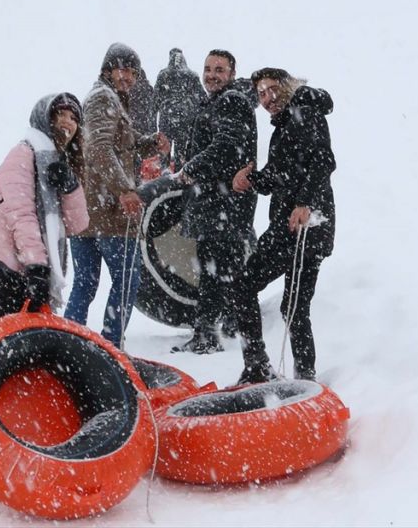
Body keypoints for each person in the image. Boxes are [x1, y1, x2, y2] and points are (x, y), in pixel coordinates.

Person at [231, 68, 336, 384]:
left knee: (245, 287)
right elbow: (280, 176)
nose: (267, 98)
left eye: (272, 89)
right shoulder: (285, 126)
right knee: (294, 307)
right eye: (261, 94)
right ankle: (304, 377)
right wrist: (252, 178)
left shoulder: (306, 110)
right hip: (297, 226)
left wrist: (304, 203)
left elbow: (323, 161)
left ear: (288, 86)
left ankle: (259, 367)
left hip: (304, 225)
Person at [64, 43, 169, 348]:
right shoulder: (103, 99)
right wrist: (124, 190)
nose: (127, 77)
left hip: (87, 213)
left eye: (133, 72)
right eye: (121, 69)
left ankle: (70, 346)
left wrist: (150, 143)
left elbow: (122, 145)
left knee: (84, 284)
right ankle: (110, 345)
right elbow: (98, 149)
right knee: (126, 281)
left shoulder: (107, 99)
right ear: (108, 69)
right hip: (108, 213)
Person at [0, 93, 89, 320]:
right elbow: (21, 215)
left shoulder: (58, 164)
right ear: (45, 118)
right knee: (15, 345)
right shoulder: (23, 154)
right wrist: (37, 266)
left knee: (29, 350)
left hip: (27, 269)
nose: (68, 122)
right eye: (60, 114)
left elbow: (77, 225)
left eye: (74, 118)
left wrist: (70, 187)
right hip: (2, 266)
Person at [171, 50, 258, 354]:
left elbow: (226, 146)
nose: (211, 74)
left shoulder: (231, 101)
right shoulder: (216, 102)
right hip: (217, 205)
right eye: (207, 68)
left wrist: (191, 168)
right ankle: (221, 331)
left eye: (219, 69)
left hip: (226, 205)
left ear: (232, 73)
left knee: (217, 272)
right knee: (217, 271)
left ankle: (210, 336)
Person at [153, 48, 205, 164]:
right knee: (180, 153)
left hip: (166, 119)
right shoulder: (192, 75)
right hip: (185, 119)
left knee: (164, 150)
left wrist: (152, 124)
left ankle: (164, 174)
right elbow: (203, 99)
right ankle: (178, 176)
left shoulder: (163, 74)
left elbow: (155, 99)